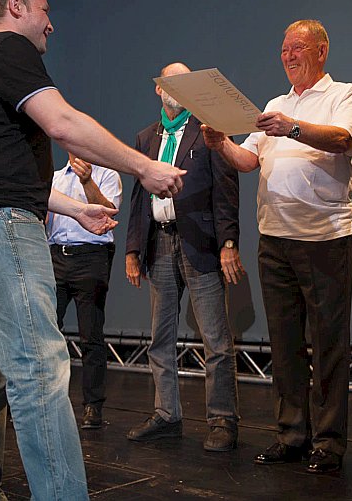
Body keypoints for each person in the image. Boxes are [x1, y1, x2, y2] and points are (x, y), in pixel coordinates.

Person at [0, 0, 185, 500]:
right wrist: (144, 166)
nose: (51, 23)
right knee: (39, 368)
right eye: (45, 10)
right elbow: (64, 124)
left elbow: (5, 174)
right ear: (16, 7)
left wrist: (77, 209)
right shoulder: (7, 48)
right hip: (1, 226)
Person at [202, 20, 352, 473]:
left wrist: (292, 128)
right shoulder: (275, 104)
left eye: (298, 48)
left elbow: (342, 140)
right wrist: (221, 144)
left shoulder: (345, 95)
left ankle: (328, 442)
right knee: (284, 342)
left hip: (326, 238)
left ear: (321, 51)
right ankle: (291, 434)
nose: (289, 56)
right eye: (284, 49)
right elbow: (248, 160)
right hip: (275, 239)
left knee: (328, 344)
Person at [125, 62, 244, 452]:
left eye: (183, 82)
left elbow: (226, 189)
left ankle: (222, 420)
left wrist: (229, 242)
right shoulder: (146, 137)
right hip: (158, 243)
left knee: (215, 339)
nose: (175, 88)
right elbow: (138, 199)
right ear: (158, 89)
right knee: (160, 337)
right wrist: (132, 249)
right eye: (169, 82)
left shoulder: (209, 131)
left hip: (201, 242)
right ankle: (166, 415)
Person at [47, 154, 121, 430]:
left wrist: (87, 181)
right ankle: (47, 400)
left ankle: (93, 405)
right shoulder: (54, 178)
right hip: (56, 256)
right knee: (46, 332)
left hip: (91, 257)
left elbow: (109, 213)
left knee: (90, 334)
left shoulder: (106, 175)